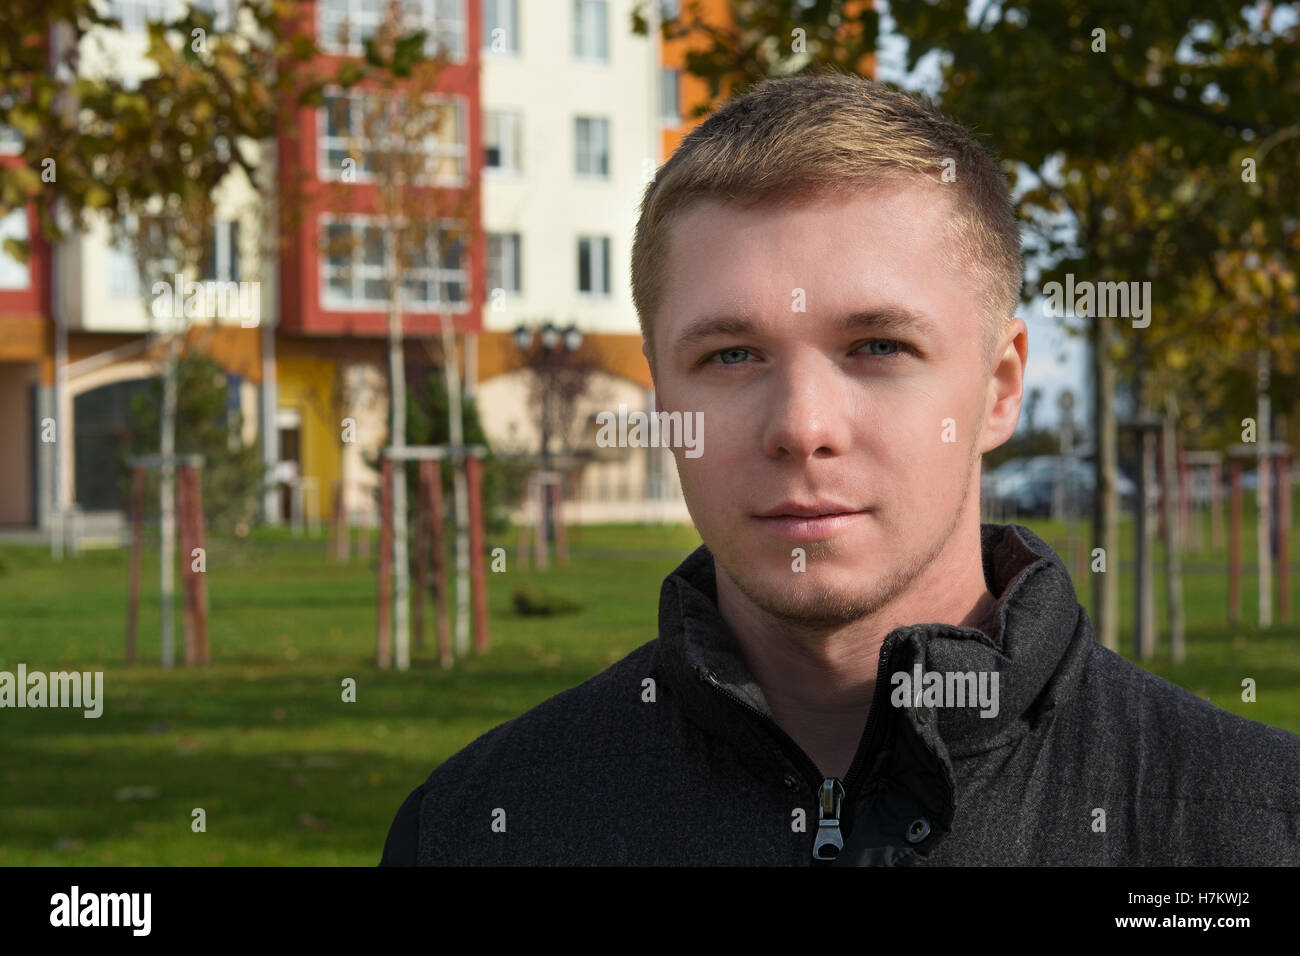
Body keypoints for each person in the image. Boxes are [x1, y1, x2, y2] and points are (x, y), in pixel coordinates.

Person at [381, 71, 1300, 866]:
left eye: (877, 346)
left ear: (999, 388)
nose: (801, 427)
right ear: (664, 401)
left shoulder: (1253, 830)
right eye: (733, 356)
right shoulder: (477, 831)